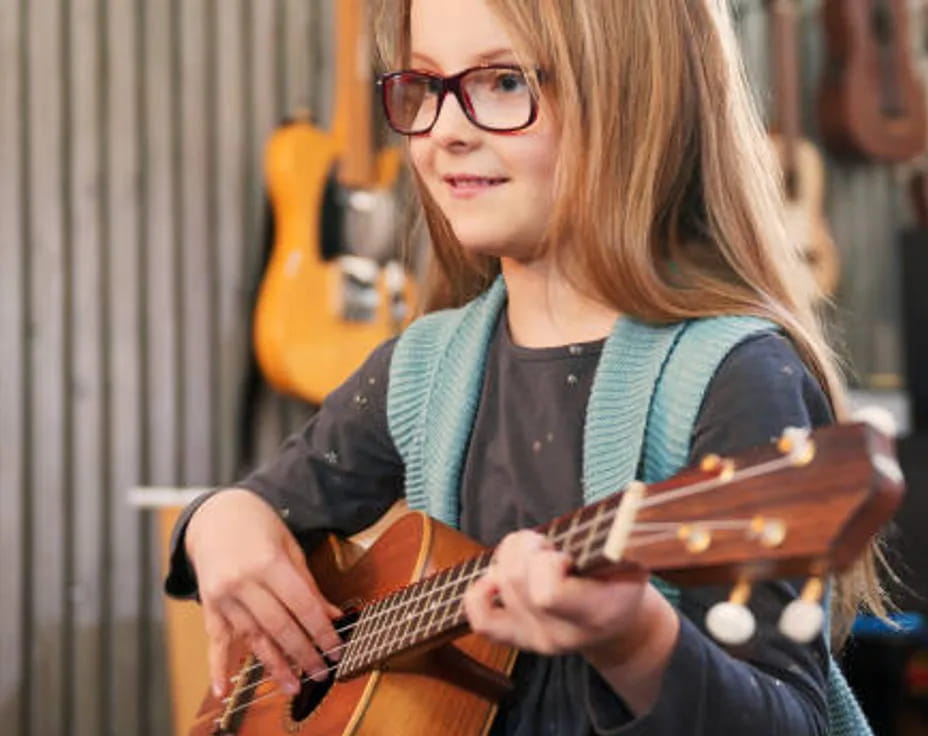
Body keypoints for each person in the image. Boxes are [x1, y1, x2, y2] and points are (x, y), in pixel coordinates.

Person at [165, 0, 888, 733]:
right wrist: (218, 522)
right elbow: (264, 504)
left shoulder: (734, 380)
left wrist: (634, 638)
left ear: (634, 98)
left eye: (504, 82)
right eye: (425, 85)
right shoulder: (423, 368)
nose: (445, 130)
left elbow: (789, 720)